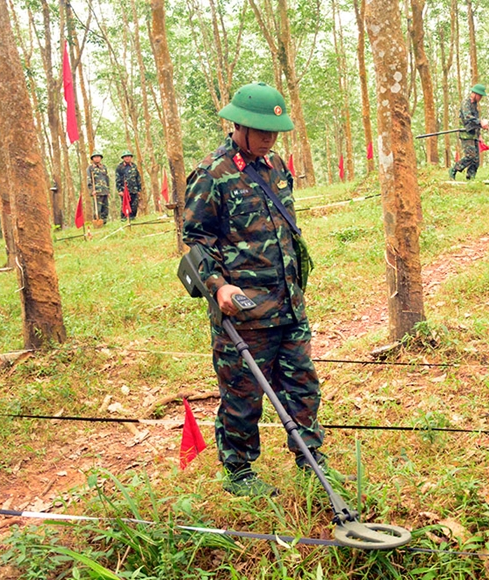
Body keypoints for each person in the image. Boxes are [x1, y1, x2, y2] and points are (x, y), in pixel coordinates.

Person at [182, 82, 327, 497]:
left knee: (303, 385)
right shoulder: (212, 174)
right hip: (243, 312)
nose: (269, 138)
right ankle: (240, 472)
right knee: (243, 395)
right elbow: (196, 239)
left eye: (274, 131)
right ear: (238, 126)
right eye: (261, 130)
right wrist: (219, 285)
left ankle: (311, 459)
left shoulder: (277, 167)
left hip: (288, 304)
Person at [449, 83, 489, 181]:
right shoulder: (466, 102)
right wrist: (480, 121)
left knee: (476, 160)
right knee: (470, 156)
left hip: (474, 134)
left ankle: (470, 177)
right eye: (479, 95)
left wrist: (479, 135)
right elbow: (468, 117)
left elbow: (476, 121)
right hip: (466, 133)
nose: (480, 98)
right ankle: (454, 169)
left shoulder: (475, 105)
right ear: (474, 94)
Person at [115, 150, 142, 220]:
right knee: (125, 204)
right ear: (123, 158)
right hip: (125, 190)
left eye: (129, 157)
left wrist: (139, 189)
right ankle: (124, 218)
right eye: (126, 157)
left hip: (134, 189)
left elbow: (138, 178)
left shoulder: (134, 166)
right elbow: (117, 179)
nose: (127, 158)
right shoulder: (119, 167)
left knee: (134, 204)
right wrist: (120, 190)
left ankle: (132, 217)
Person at [86, 150, 110, 224]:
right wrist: (92, 190)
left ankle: (104, 222)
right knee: (98, 209)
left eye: (98, 157)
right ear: (93, 159)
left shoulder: (103, 167)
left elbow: (106, 179)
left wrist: (108, 190)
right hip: (96, 191)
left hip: (104, 190)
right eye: (95, 157)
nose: (97, 158)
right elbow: (89, 180)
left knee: (105, 208)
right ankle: (97, 222)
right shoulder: (90, 168)